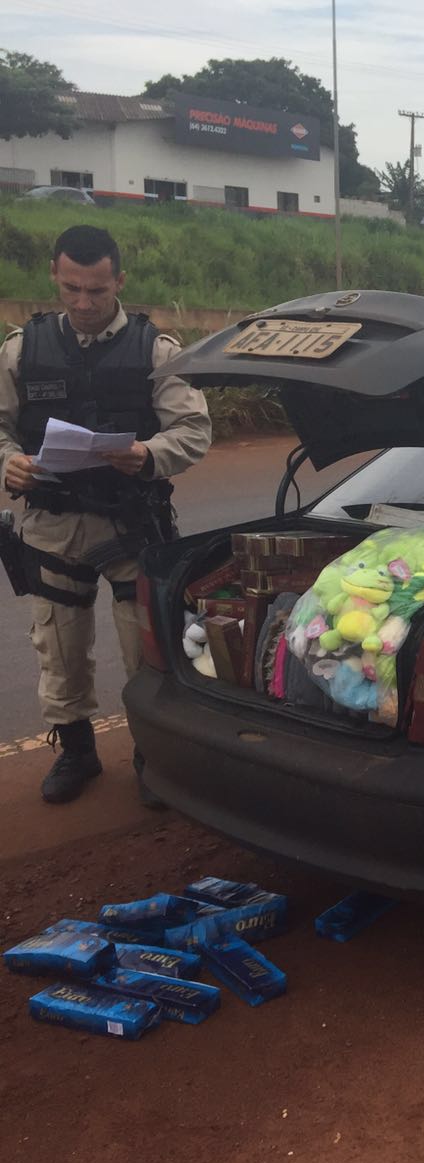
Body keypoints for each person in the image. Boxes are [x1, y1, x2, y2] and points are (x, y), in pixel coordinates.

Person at [0, 225, 211, 803]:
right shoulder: (22, 349)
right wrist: (9, 461)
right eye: (72, 289)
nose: (84, 304)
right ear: (54, 277)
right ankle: (76, 753)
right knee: (58, 646)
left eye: (96, 290)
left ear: (119, 280)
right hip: (51, 523)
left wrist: (149, 454)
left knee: (143, 649)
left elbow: (194, 431)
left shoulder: (156, 351)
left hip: (130, 524)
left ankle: (153, 755)